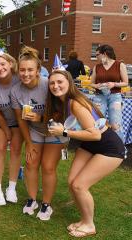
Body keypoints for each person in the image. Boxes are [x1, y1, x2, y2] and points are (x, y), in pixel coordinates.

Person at [46, 70, 124, 238]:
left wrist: (64, 132)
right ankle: (83, 220)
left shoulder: (75, 103)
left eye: (60, 82)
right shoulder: (62, 103)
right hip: (89, 145)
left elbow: (95, 134)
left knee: (80, 185)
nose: (55, 86)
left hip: (108, 147)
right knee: (72, 182)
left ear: (69, 83)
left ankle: (89, 225)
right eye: (52, 83)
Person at [11, 46, 68, 221]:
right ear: (18, 71)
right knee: (30, 163)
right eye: (22, 70)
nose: (26, 74)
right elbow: (21, 120)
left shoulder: (48, 84)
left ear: (38, 71)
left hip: (55, 131)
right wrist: (28, 142)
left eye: (30, 70)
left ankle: (46, 204)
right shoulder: (15, 91)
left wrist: (40, 117)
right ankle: (32, 199)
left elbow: (63, 112)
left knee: (48, 167)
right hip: (35, 131)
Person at [0, 42, 23, 206]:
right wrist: (6, 131)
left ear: (10, 63)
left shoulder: (19, 78)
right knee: (0, 149)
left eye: (3, 64)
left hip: (19, 121)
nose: (0, 68)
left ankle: (11, 187)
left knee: (16, 151)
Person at [90, 44, 128, 141]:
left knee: (116, 123)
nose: (96, 57)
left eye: (97, 54)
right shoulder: (97, 67)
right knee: (97, 122)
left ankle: (119, 150)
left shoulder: (119, 65)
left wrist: (114, 84)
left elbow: (126, 83)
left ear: (105, 54)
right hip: (99, 96)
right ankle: (98, 145)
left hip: (115, 96)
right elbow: (91, 83)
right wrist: (97, 86)